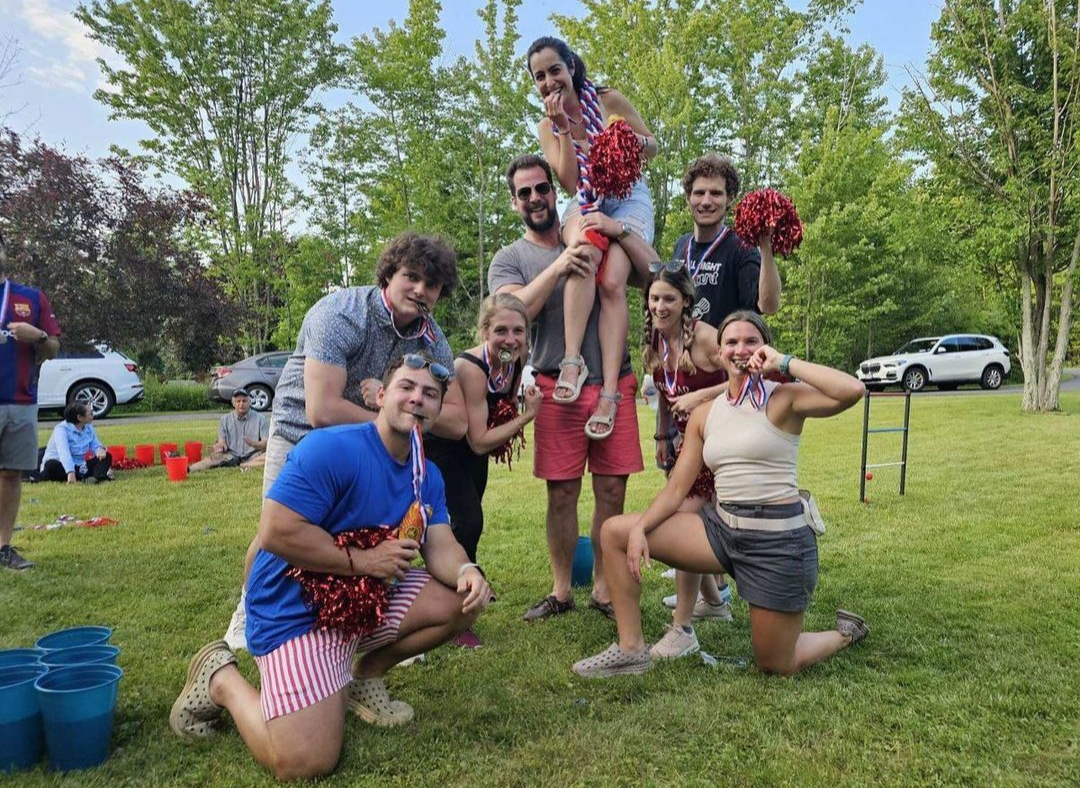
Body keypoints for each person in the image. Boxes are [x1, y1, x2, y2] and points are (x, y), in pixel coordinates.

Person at [170, 353, 491, 781]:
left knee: (460, 601)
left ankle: (363, 676)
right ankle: (220, 678)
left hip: (363, 599)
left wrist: (467, 571)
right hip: (293, 608)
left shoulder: (425, 473)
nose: (418, 399)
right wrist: (367, 560)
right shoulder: (333, 449)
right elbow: (276, 532)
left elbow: (441, 541)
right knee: (305, 761)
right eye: (406, 387)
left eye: (430, 394)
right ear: (380, 396)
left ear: (438, 409)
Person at [572, 311, 868, 675]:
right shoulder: (705, 413)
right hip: (723, 532)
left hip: (777, 542)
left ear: (765, 348)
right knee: (615, 531)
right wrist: (641, 527)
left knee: (776, 663)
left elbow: (852, 390)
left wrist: (784, 362)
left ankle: (845, 634)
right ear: (720, 352)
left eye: (751, 341)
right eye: (731, 342)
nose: (740, 349)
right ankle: (631, 649)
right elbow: (677, 488)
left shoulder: (784, 398)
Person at [224, 232, 467, 651]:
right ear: (388, 275)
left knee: (365, 533)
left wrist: (398, 417)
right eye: (411, 277)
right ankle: (249, 610)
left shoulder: (431, 338)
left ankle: (363, 620)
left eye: (432, 285)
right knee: (276, 532)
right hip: (300, 432)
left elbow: (459, 420)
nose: (420, 290)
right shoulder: (342, 312)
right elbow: (322, 408)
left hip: (374, 443)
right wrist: (392, 419)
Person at [490, 153, 652, 622]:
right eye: (524, 193)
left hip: (613, 384)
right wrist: (561, 264)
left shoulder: (597, 233)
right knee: (561, 493)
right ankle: (561, 591)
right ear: (514, 201)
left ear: (555, 191)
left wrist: (616, 233)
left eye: (542, 188)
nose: (535, 198)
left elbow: (653, 275)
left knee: (612, 491)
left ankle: (603, 588)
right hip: (555, 385)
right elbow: (511, 310)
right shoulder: (512, 258)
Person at [661, 153, 784, 618]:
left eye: (716, 193)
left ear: (729, 199)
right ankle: (708, 588)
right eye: (699, 192)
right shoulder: (680, 247)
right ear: (688, 198)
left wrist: (766, 249)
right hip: (687, 381)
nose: (706, 200)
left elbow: (767, 306)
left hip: (729, 385)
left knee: (711, 493)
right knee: (690, 487)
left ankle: (721, 585)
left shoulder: (740, 248)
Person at [528, 36, 658, 440]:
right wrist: (563, 130)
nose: (549, 82)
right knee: (582, 252)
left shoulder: (607, 100)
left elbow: (653, 146)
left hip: (628, 195)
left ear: (570, 67)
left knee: (613, 280)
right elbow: (569, 182)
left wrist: (627, 142)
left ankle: (611, 393)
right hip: (586, 196)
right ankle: (572, 361)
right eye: (539, 77)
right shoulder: (546, 126)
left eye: (554, 70)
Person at [425, 293, 543, 647]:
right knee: (466, 522)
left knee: (469, 523)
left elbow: (497, 413)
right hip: (444, 450)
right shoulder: (471, 368)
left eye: (518, 331)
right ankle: (456, 613)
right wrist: (528, 415)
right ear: (484, 330)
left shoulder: (515, 357)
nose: (510, 339)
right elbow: (478, 440)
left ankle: (469, 581)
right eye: (501, 330)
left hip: (472, 453)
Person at [0, 231, 61, 570]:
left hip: (19, 401)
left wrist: (37, 335)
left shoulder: (30, 297)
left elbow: (53, 349)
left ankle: (3, 547)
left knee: (11, 474)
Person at [189, 388, 268, 473]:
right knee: (212, 458)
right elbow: (222, 442)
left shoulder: (260, 419)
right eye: (238, 401)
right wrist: (220, 447)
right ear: (233, 403)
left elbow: (265, 443)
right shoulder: (224, 419)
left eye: (244, 401)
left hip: (254, 455)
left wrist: (253, 443)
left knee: (271, 455)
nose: (241, 404)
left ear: (249, 402)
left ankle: (245, 464)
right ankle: (188, 469)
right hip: (231, 455)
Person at [37, 402, 112, 483]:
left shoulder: (88, 427)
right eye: (90, 414)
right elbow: (64, 453)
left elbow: (95, 444)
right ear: (79, 417)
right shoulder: (61, 430)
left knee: (107, 456)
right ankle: (81, 476)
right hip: (61, 465)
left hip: (80, 466)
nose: (92, 416)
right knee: (51, 465)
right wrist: (70, 472)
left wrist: (99, 450)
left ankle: (96, 478)